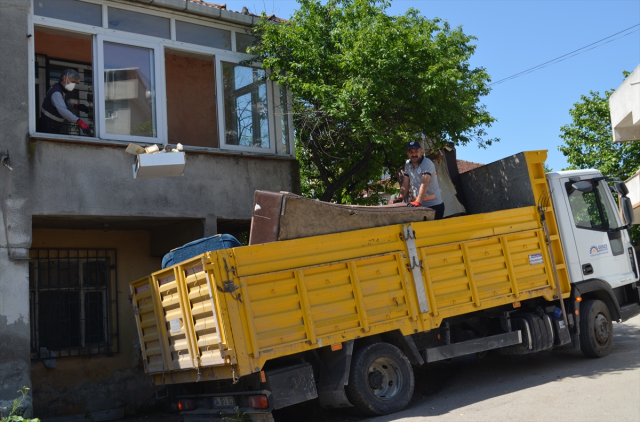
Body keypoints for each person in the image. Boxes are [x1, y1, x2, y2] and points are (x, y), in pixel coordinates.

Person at [393, 141, 446, 220]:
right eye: (411, 152)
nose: (414, 154)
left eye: (416, 151)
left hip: (434, 206)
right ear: (407, 153)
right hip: (420, 206)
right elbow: (405, 183)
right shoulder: (408, 164)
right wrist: (400, 198)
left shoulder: (427, 163)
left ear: (421, 151)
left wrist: (418, 201)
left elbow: (424, 183)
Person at [39, 69, 90, 134]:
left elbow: (61, 103)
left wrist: (76, 106)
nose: (74, 85)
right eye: (73, 82)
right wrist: (80, 122)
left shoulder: (60, 90)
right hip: (47, 129)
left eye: (75, 83)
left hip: (52, 128)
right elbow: (63, 110)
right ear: (65, 78)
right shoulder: (56, 92)